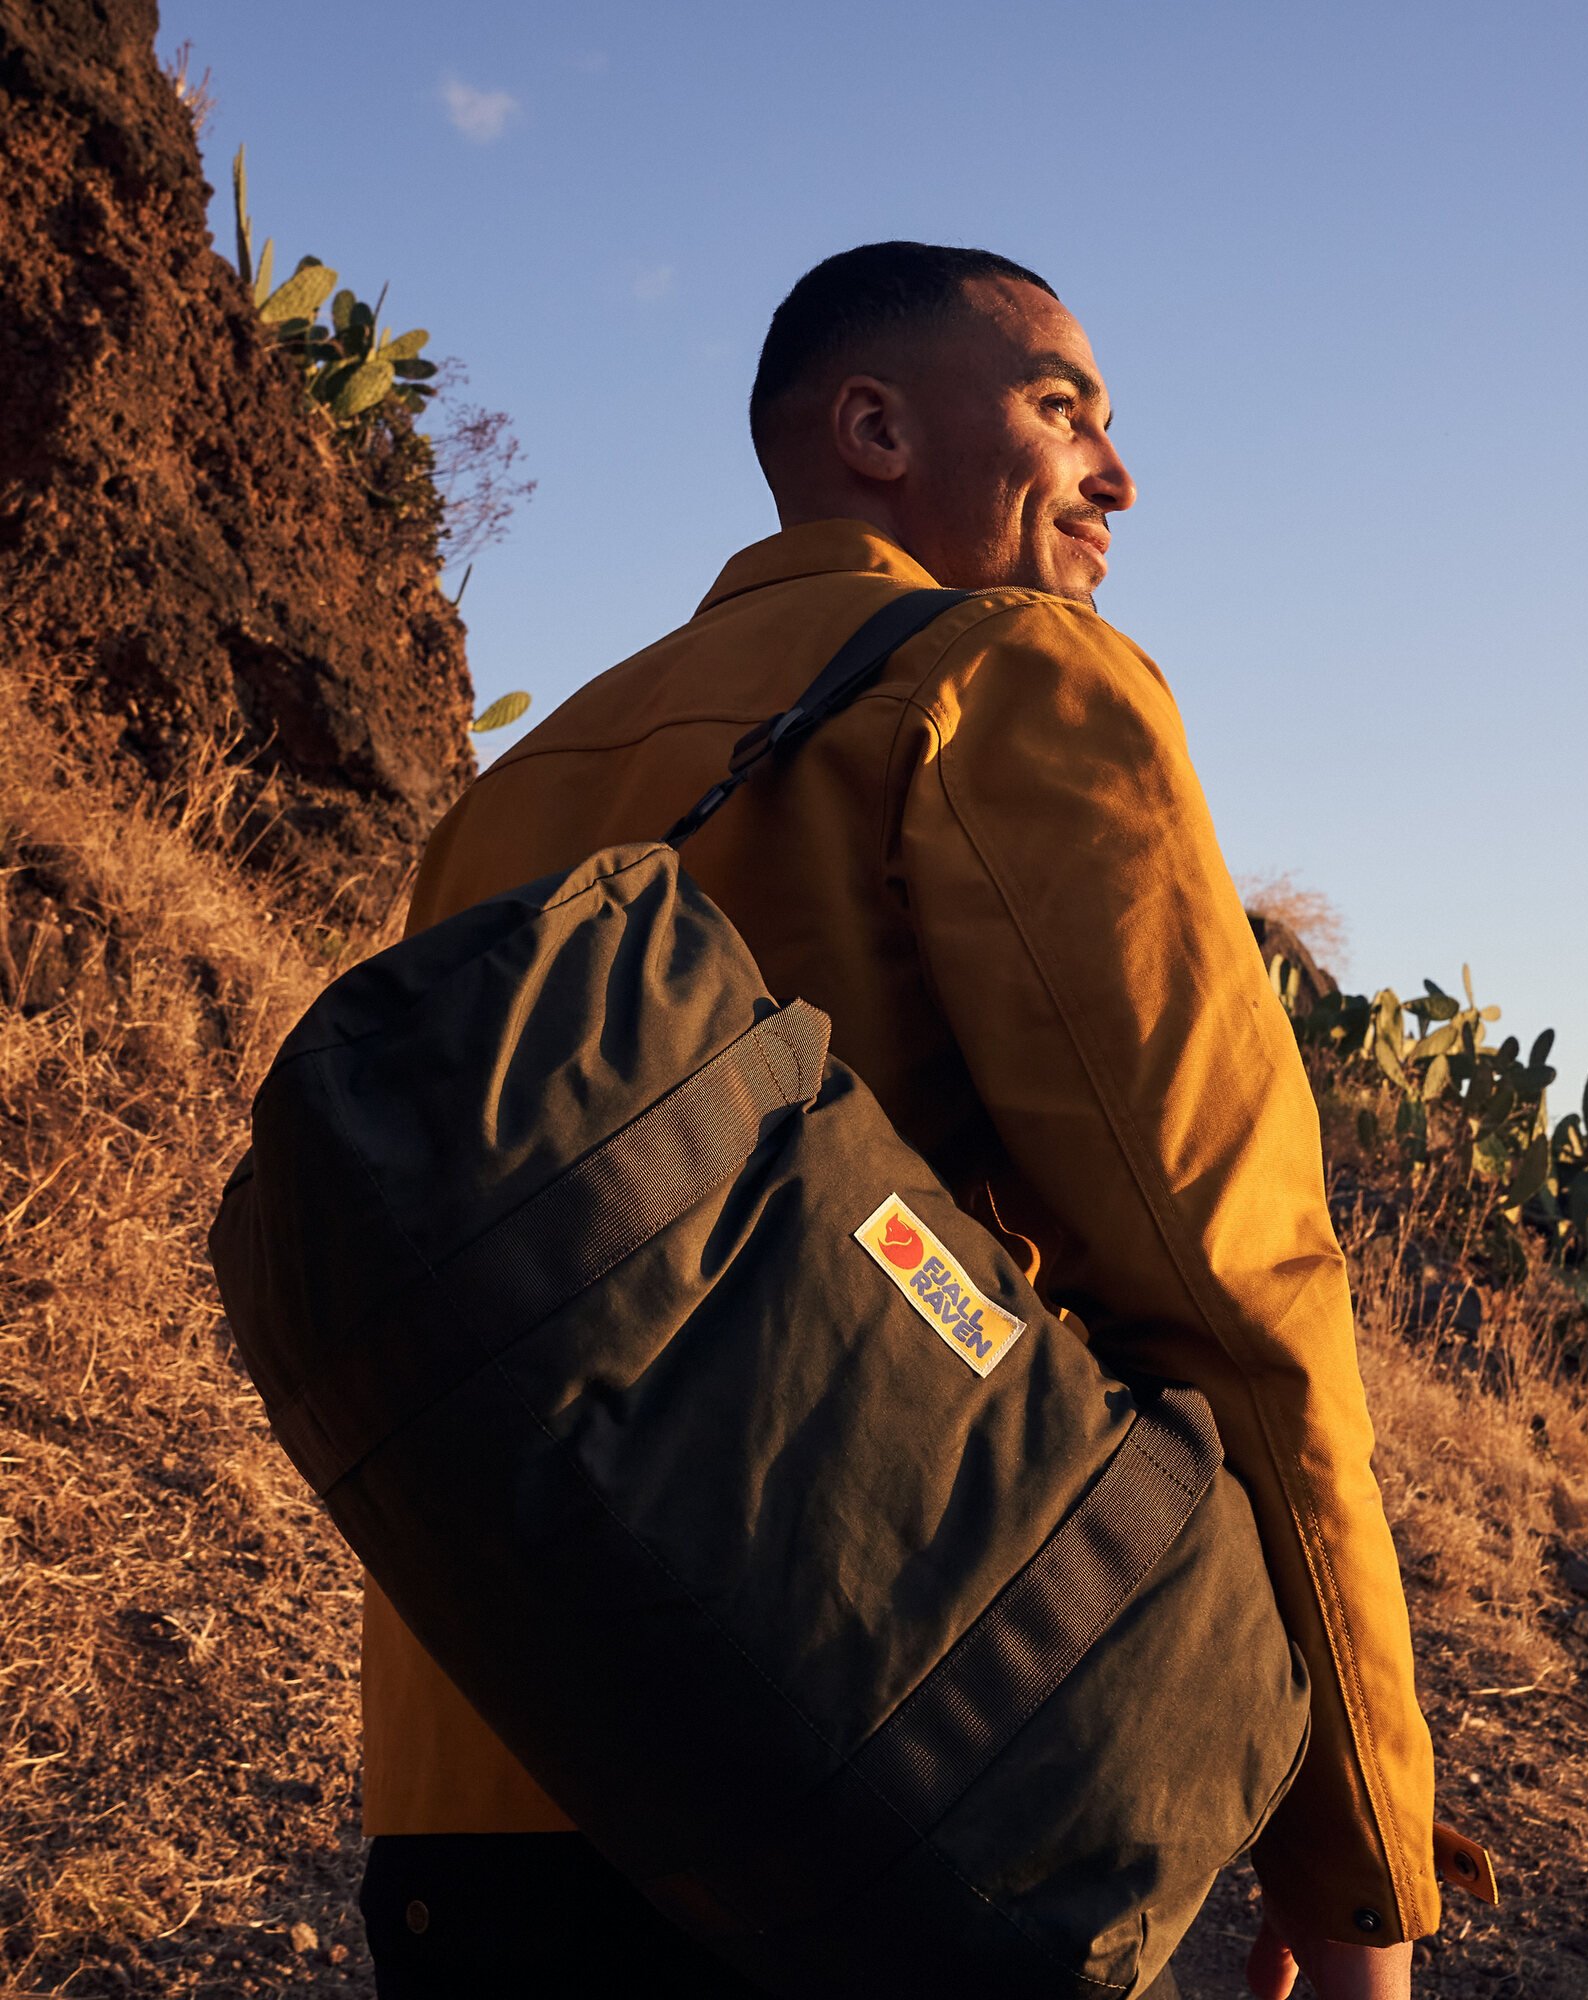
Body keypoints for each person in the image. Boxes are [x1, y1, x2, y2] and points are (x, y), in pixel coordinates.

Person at [359, 242, 1489, 1999]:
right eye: (1063, 410)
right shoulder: (1016, 677)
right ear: (874, 430)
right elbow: (1232, 1279)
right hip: (875, 1790)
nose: (1119, 474)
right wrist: (1353, 1866)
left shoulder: (517, 787)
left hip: (471, 1810)